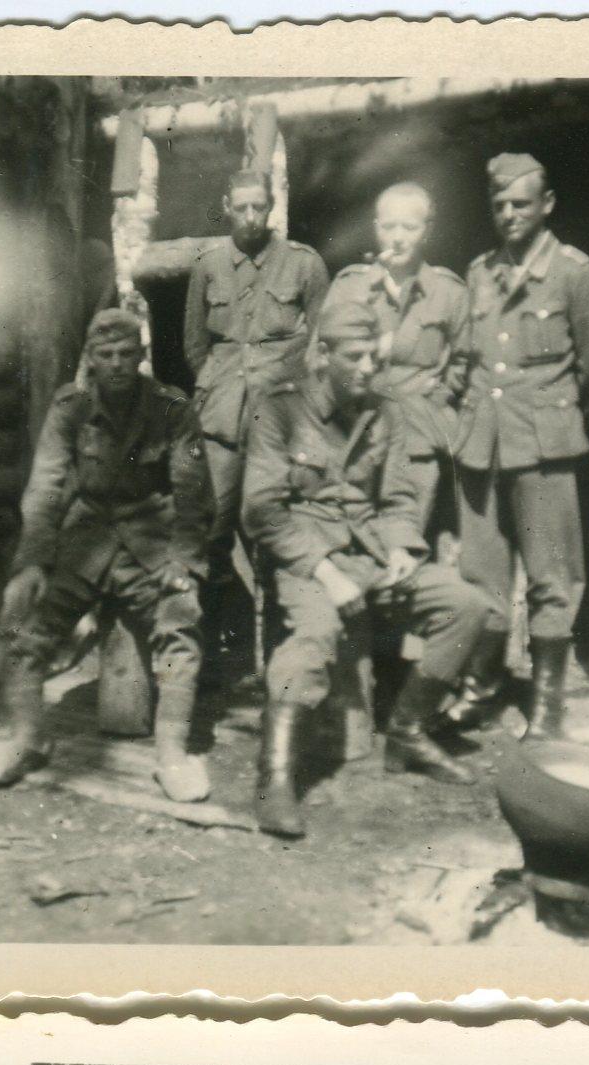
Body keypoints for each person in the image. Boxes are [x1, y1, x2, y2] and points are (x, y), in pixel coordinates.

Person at [241, 271, 491, 833]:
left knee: (465, 606)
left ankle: (406, 734)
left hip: (375, 556)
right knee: (313, 639)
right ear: (323, 354)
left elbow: (399, 496)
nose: (369, 369)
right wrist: (326, 573)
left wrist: (403, 546)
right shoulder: (278, 409)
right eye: (356, 358)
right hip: (310, 558)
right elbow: (261, 511)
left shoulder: (388, 411)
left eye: (375, 358)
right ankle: (274, 776)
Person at [0, 307, 214, 805]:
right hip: (86, 538)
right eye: (106, 356)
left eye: (128, 354)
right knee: (28, 627)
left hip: (151, 540)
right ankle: (26, 739)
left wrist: (184, 561)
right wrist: (33, 562)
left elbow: (192, 493)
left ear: (143, 357)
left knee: (180, 629)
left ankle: (171, 756)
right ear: (90, 359)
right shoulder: (71, 408)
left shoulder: (173, 409)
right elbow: (45, 487)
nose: (118, 365)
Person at [454, 152, 589, 739]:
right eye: (499, 205)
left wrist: (562, 429)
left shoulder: (578, 275)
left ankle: (548, 705)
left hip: (545, 448)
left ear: (547, 205)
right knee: (482, 576)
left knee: (552, 578)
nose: (509, 214)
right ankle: (483, 687)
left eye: (520, 203)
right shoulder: (478, 273)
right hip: (481, 446)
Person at [182, 172, 328, 569]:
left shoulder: (303, 263)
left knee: (280, 525)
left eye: (258, 207)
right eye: (241, 207)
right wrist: (217, 387)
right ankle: (218, 623)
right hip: (221, 421)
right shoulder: (209, 266)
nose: (250, 216)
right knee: (211, 527)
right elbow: (195, 344)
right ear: (228, 209)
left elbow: (322, 345)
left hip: (281, 420)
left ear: (271, 207)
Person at [347, 183, 470, 547]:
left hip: (417, 439)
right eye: (389, 227)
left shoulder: (450, 293)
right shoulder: (352, 287)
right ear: (375, 227)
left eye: (409, 228)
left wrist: (432, 403)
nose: (398, 238)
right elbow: (323, 358)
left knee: (408, 542)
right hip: (361, 435)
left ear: (428, 231)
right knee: (358, 541)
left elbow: (464, 362)